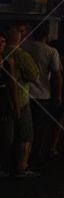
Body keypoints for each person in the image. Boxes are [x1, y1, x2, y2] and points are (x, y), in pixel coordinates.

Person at [20, 21, 62, 166]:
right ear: (47, 34)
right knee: (40, 127)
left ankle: (22, 156)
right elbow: (57, 76)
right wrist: (58, 95)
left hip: (24, 93)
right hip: (43, 94)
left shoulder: (23, 47)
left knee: (24, 127)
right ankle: (36, 155)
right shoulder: (51, 51)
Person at [3, 25, 40, 175]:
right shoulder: (20, 55)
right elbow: (33, 75)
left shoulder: (3, 53)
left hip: (4, 100)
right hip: (21, 98)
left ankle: (8, 165)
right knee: (24, 135)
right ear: (19, 39)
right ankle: (21, 166)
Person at [0, 33, 20, 176]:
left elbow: (13, 84)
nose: (1, 44)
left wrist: (16, 105)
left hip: (5, 103)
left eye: (3, 41)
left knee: (7, 139)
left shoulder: (7, 60)